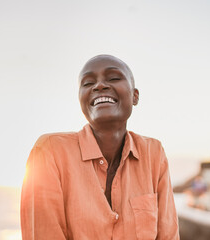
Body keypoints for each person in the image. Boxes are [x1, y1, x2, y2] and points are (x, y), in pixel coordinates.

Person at [20, 55, 180, 240]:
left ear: (135, 96)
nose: (99, 86)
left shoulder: (154, 153)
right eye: (88, 83)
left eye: (113, 78)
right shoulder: (49, 151)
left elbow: (168, 234)